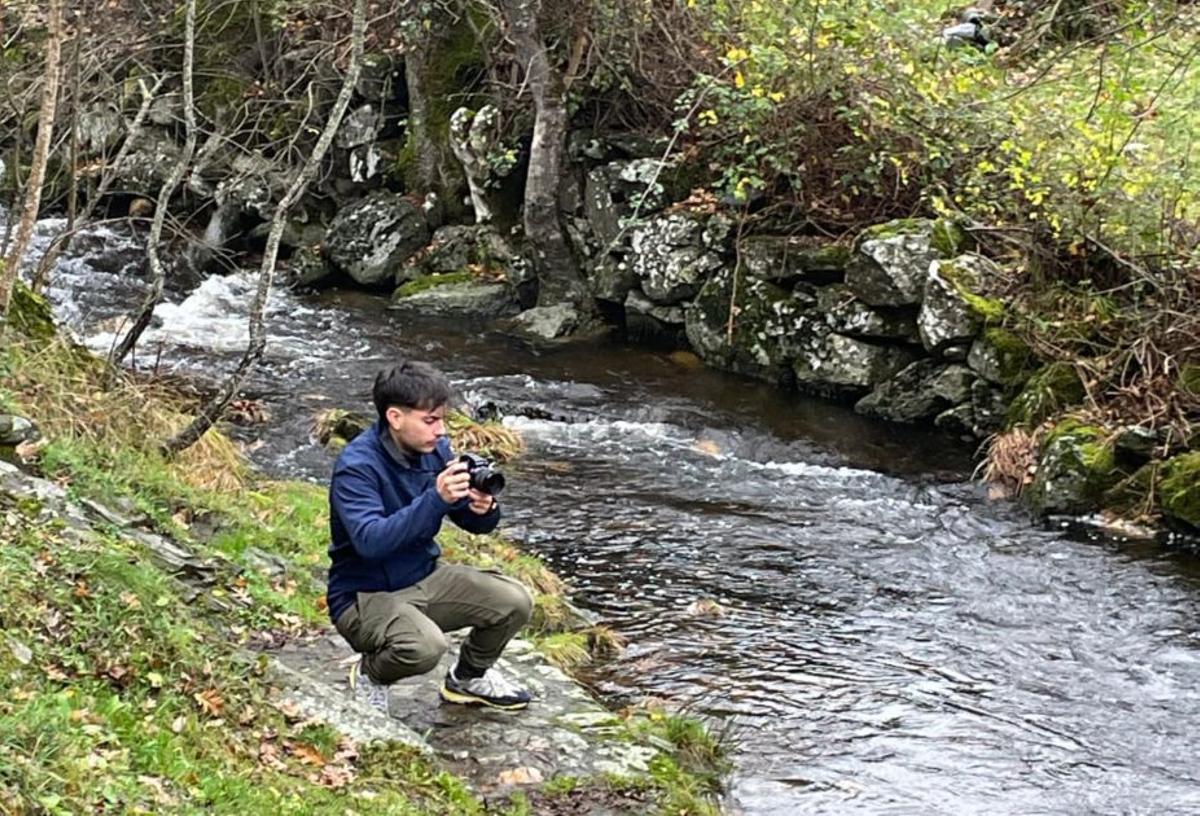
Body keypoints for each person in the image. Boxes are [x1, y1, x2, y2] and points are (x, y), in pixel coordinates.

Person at [326, 360, 533, 712]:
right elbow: (370, 542)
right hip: (363, 595)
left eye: (442, 419)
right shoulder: (357, 467)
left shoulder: (435, 450)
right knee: (425, 647)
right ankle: (371, 675)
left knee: (514, 601)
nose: (440, 431)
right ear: (395, 417)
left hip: (424, 577)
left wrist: (483, 508)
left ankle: (467, 679)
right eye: (430, 420)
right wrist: (436, 498)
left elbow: (473, 524)